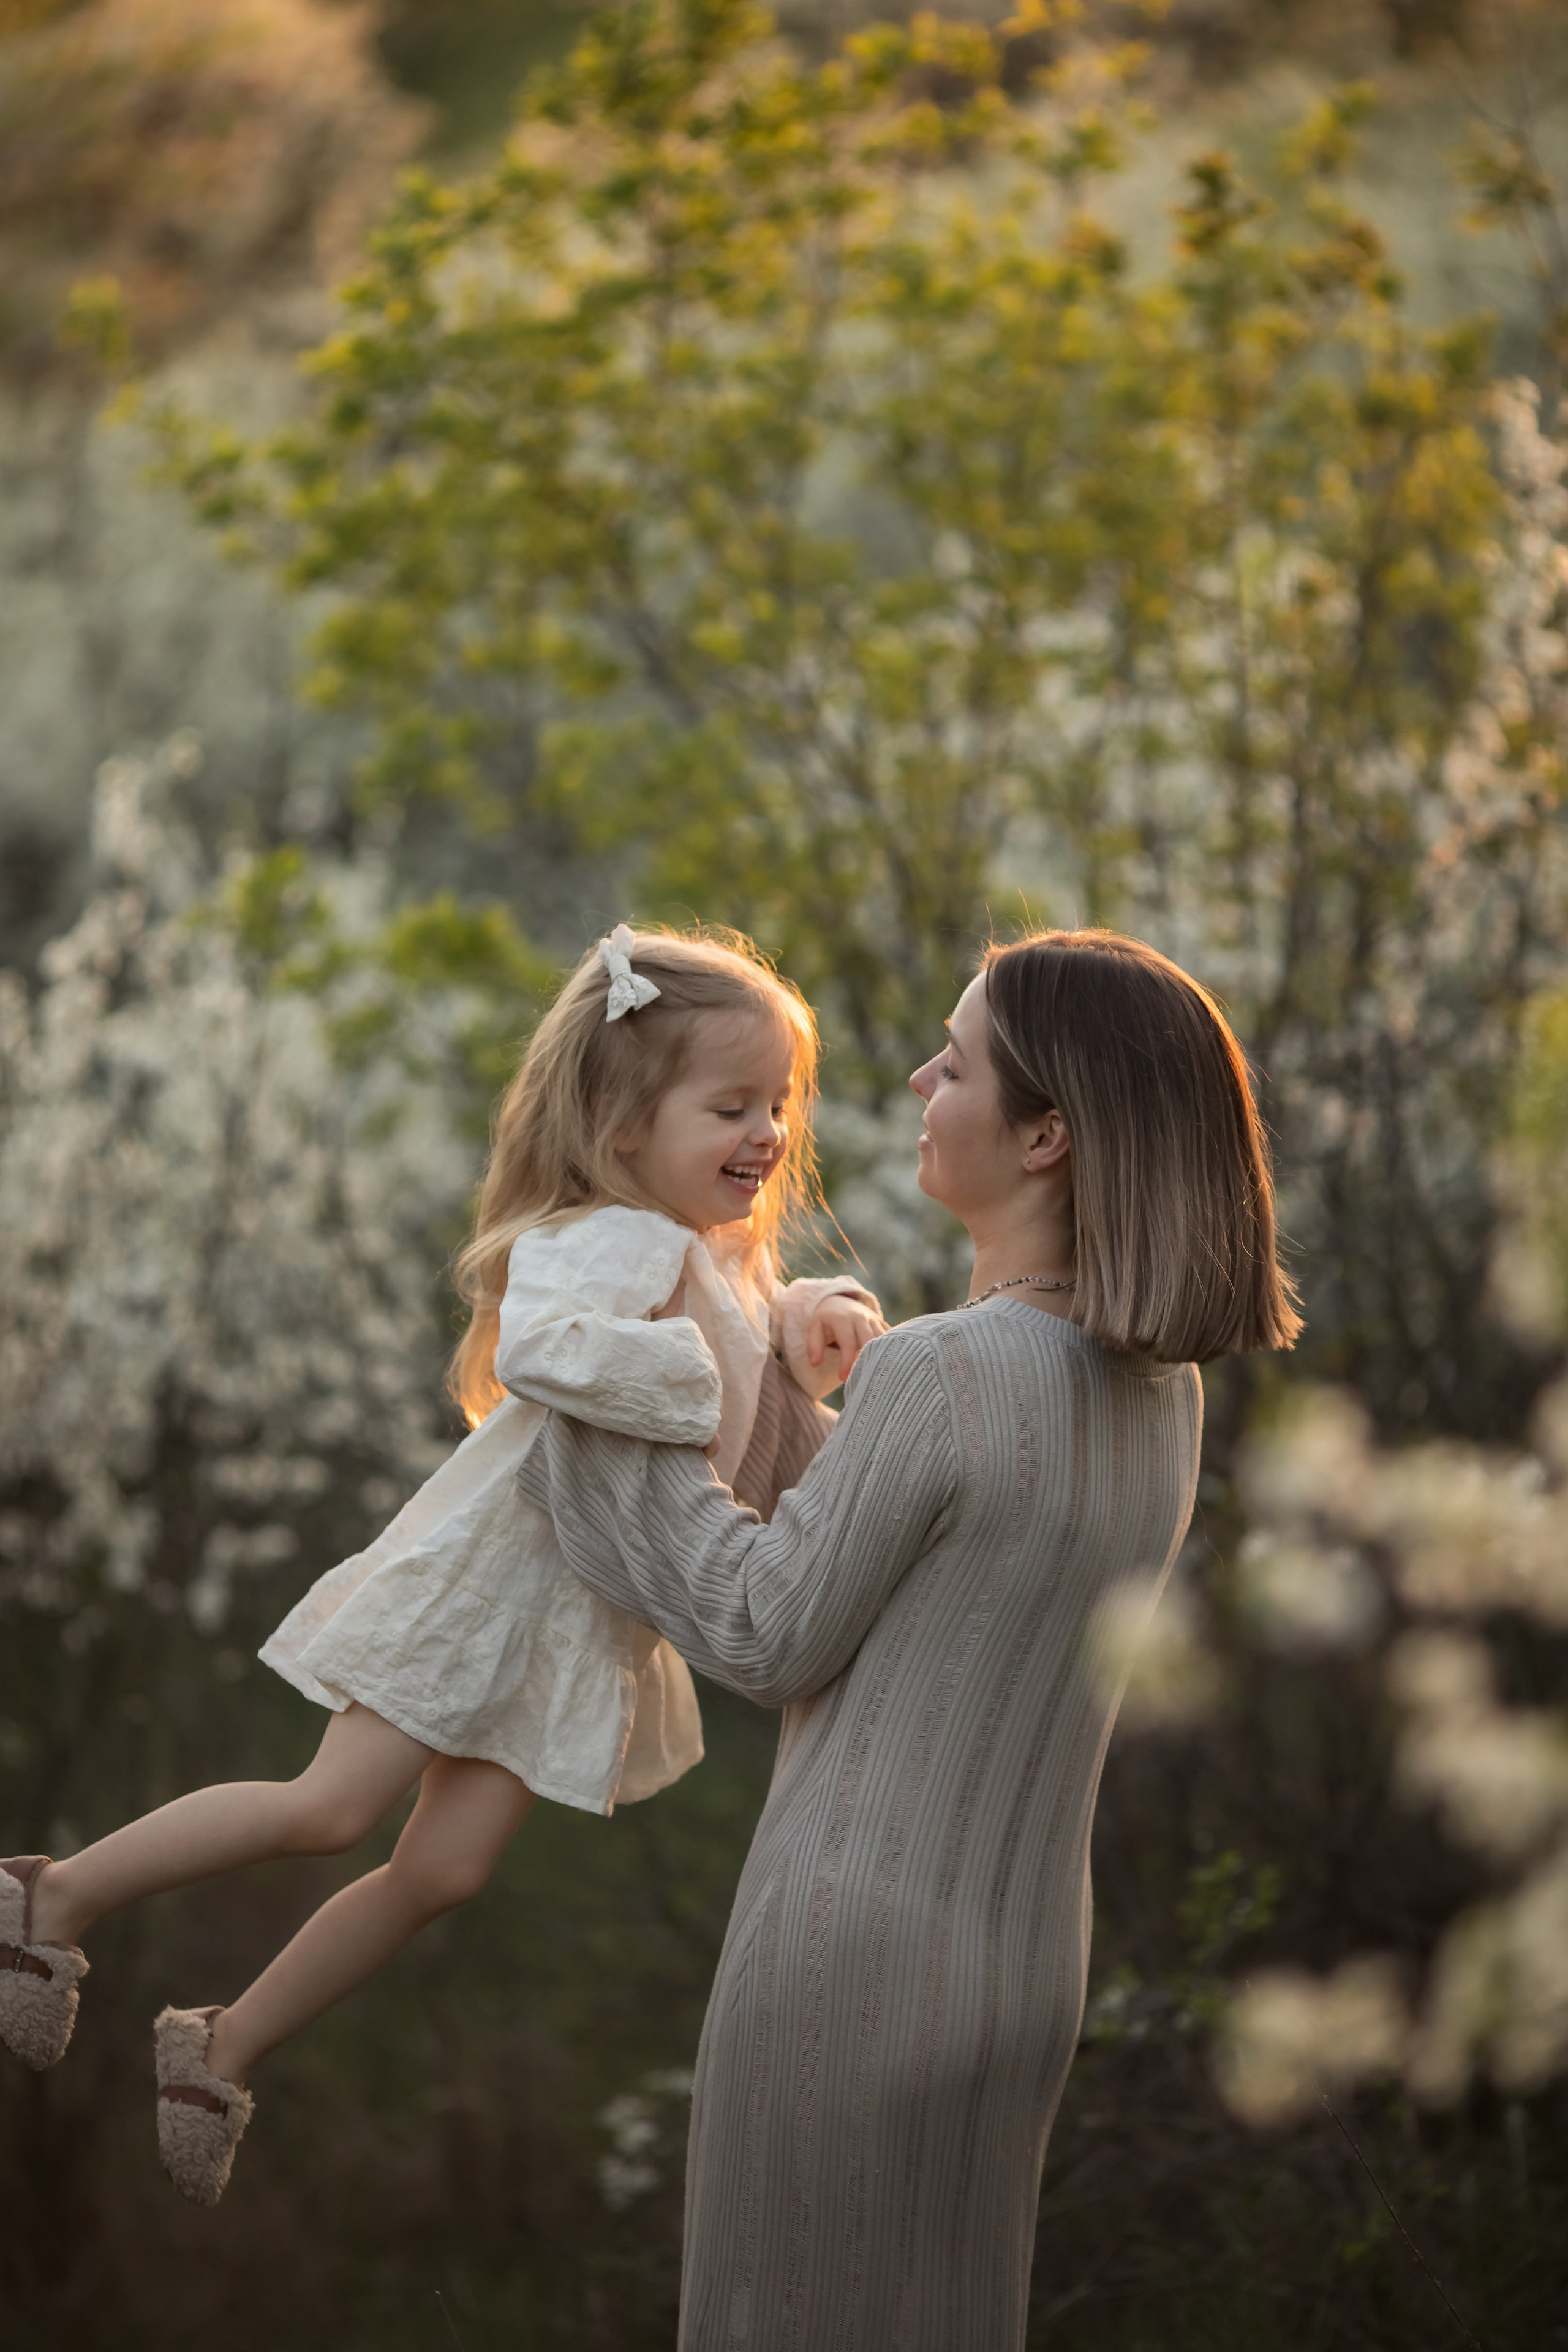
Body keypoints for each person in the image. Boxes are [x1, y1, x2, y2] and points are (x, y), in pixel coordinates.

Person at [0, 924, 883, 2207]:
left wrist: (809, 1316)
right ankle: (48, 1897)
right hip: (492, 1583)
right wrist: (715, 1370)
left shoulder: (700, 1250)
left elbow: (745, 1346)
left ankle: (216, 2046)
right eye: (728, 1105)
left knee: (446, 1871)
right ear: (623, 1121)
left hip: (565, 1624)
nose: (764, 1133)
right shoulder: (608, 1238)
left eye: (777, 1105)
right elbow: (543, 1347)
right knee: (328, 1809)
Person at [517, 927, 1303, 2352]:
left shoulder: (944, 1369)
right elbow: (903, 1566)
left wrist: (594, 1419)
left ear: (1047, 1133)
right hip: (1013, 1969)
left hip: (848, 1959)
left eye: (958, 1060)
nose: (921, 1077)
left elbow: (764, 1627)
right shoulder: (1152, 1389)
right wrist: (779, 1395)